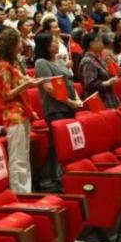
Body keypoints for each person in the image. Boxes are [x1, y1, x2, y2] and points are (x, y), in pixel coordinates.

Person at [34, 32, 83, 190]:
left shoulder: (60, 60)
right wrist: (70, 102)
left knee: (67, 143)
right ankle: (50, 179)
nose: (57, 44)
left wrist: (77, 99)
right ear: (45, 46)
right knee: (57, 144)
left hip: (69, 107)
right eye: (53, 42)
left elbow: (70, 83)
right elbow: (49, 88)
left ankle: (65, 175)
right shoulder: (41, 63)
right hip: (55, 109)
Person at [0, 28, 40, 193]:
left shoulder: (14, 64)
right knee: (17, 157)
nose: (22, 44)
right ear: (11, 44)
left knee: (24, 155)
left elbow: (23, 83)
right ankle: (18, 192)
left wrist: (32, 82)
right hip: (13, 115)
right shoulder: (3, 66)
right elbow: (6, 94)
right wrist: (26, 84)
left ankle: (26, 191)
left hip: (22, 112)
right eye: (19, 41)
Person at [78, 31, 120, 108]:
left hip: (108, 99)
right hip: (100, 102)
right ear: (91, 44)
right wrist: (108, 83)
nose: (102, 43)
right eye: (99, 41)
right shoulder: (88, 61)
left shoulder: (97, 59)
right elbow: (90, 84)